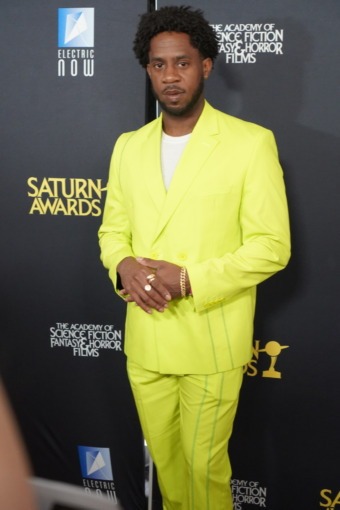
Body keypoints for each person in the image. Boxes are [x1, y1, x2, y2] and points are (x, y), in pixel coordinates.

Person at [98, 5, 290, 510]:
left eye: (181, 63)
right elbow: (112, 230)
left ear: (205, 65)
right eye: (159, 65)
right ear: (147, 69)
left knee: (205, 471)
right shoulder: (128, 147)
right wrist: (124, 266)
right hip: (146, 337)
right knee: (169, 471)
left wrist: (188, 280)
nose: (170, 76)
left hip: (210, 337)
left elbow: (272, 246)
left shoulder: (250, 144)